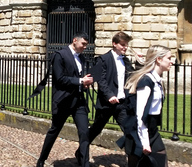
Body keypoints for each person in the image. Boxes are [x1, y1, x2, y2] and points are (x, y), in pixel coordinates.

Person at [36, 33, 94, 167]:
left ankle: (84, 163)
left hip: (79, 101)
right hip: (63, 101)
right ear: (75, 40)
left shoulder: (82, 58)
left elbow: (79, 77)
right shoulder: (60, 55)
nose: (84, 47)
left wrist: (84, 84)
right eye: (83, 44)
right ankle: (42, 159)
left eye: (86, 44)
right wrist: (80, 81)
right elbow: (59, 79)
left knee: (85, 132)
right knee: (54, 131)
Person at [123, 45, 174, 167]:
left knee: (160, 161)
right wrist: (144, 141)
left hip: (152, 128)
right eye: (169, 58)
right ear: (159, 59)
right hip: (140, 130)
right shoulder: (146, 82)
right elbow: (140, 114)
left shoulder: (157, 81)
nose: (172, 61)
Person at [88, 32, 135, 144]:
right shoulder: (103, 59)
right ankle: (81, 151)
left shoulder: (125, 60)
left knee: (129, 130)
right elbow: (101, 80)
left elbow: (134, 75)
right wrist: (110, 95)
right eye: (123, 44)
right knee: (96, 130)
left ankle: (134, 160)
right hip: (106, 103)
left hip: (121, 103)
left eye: (126, 44)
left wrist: (139, 62)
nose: (125, 47)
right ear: (114, 44)